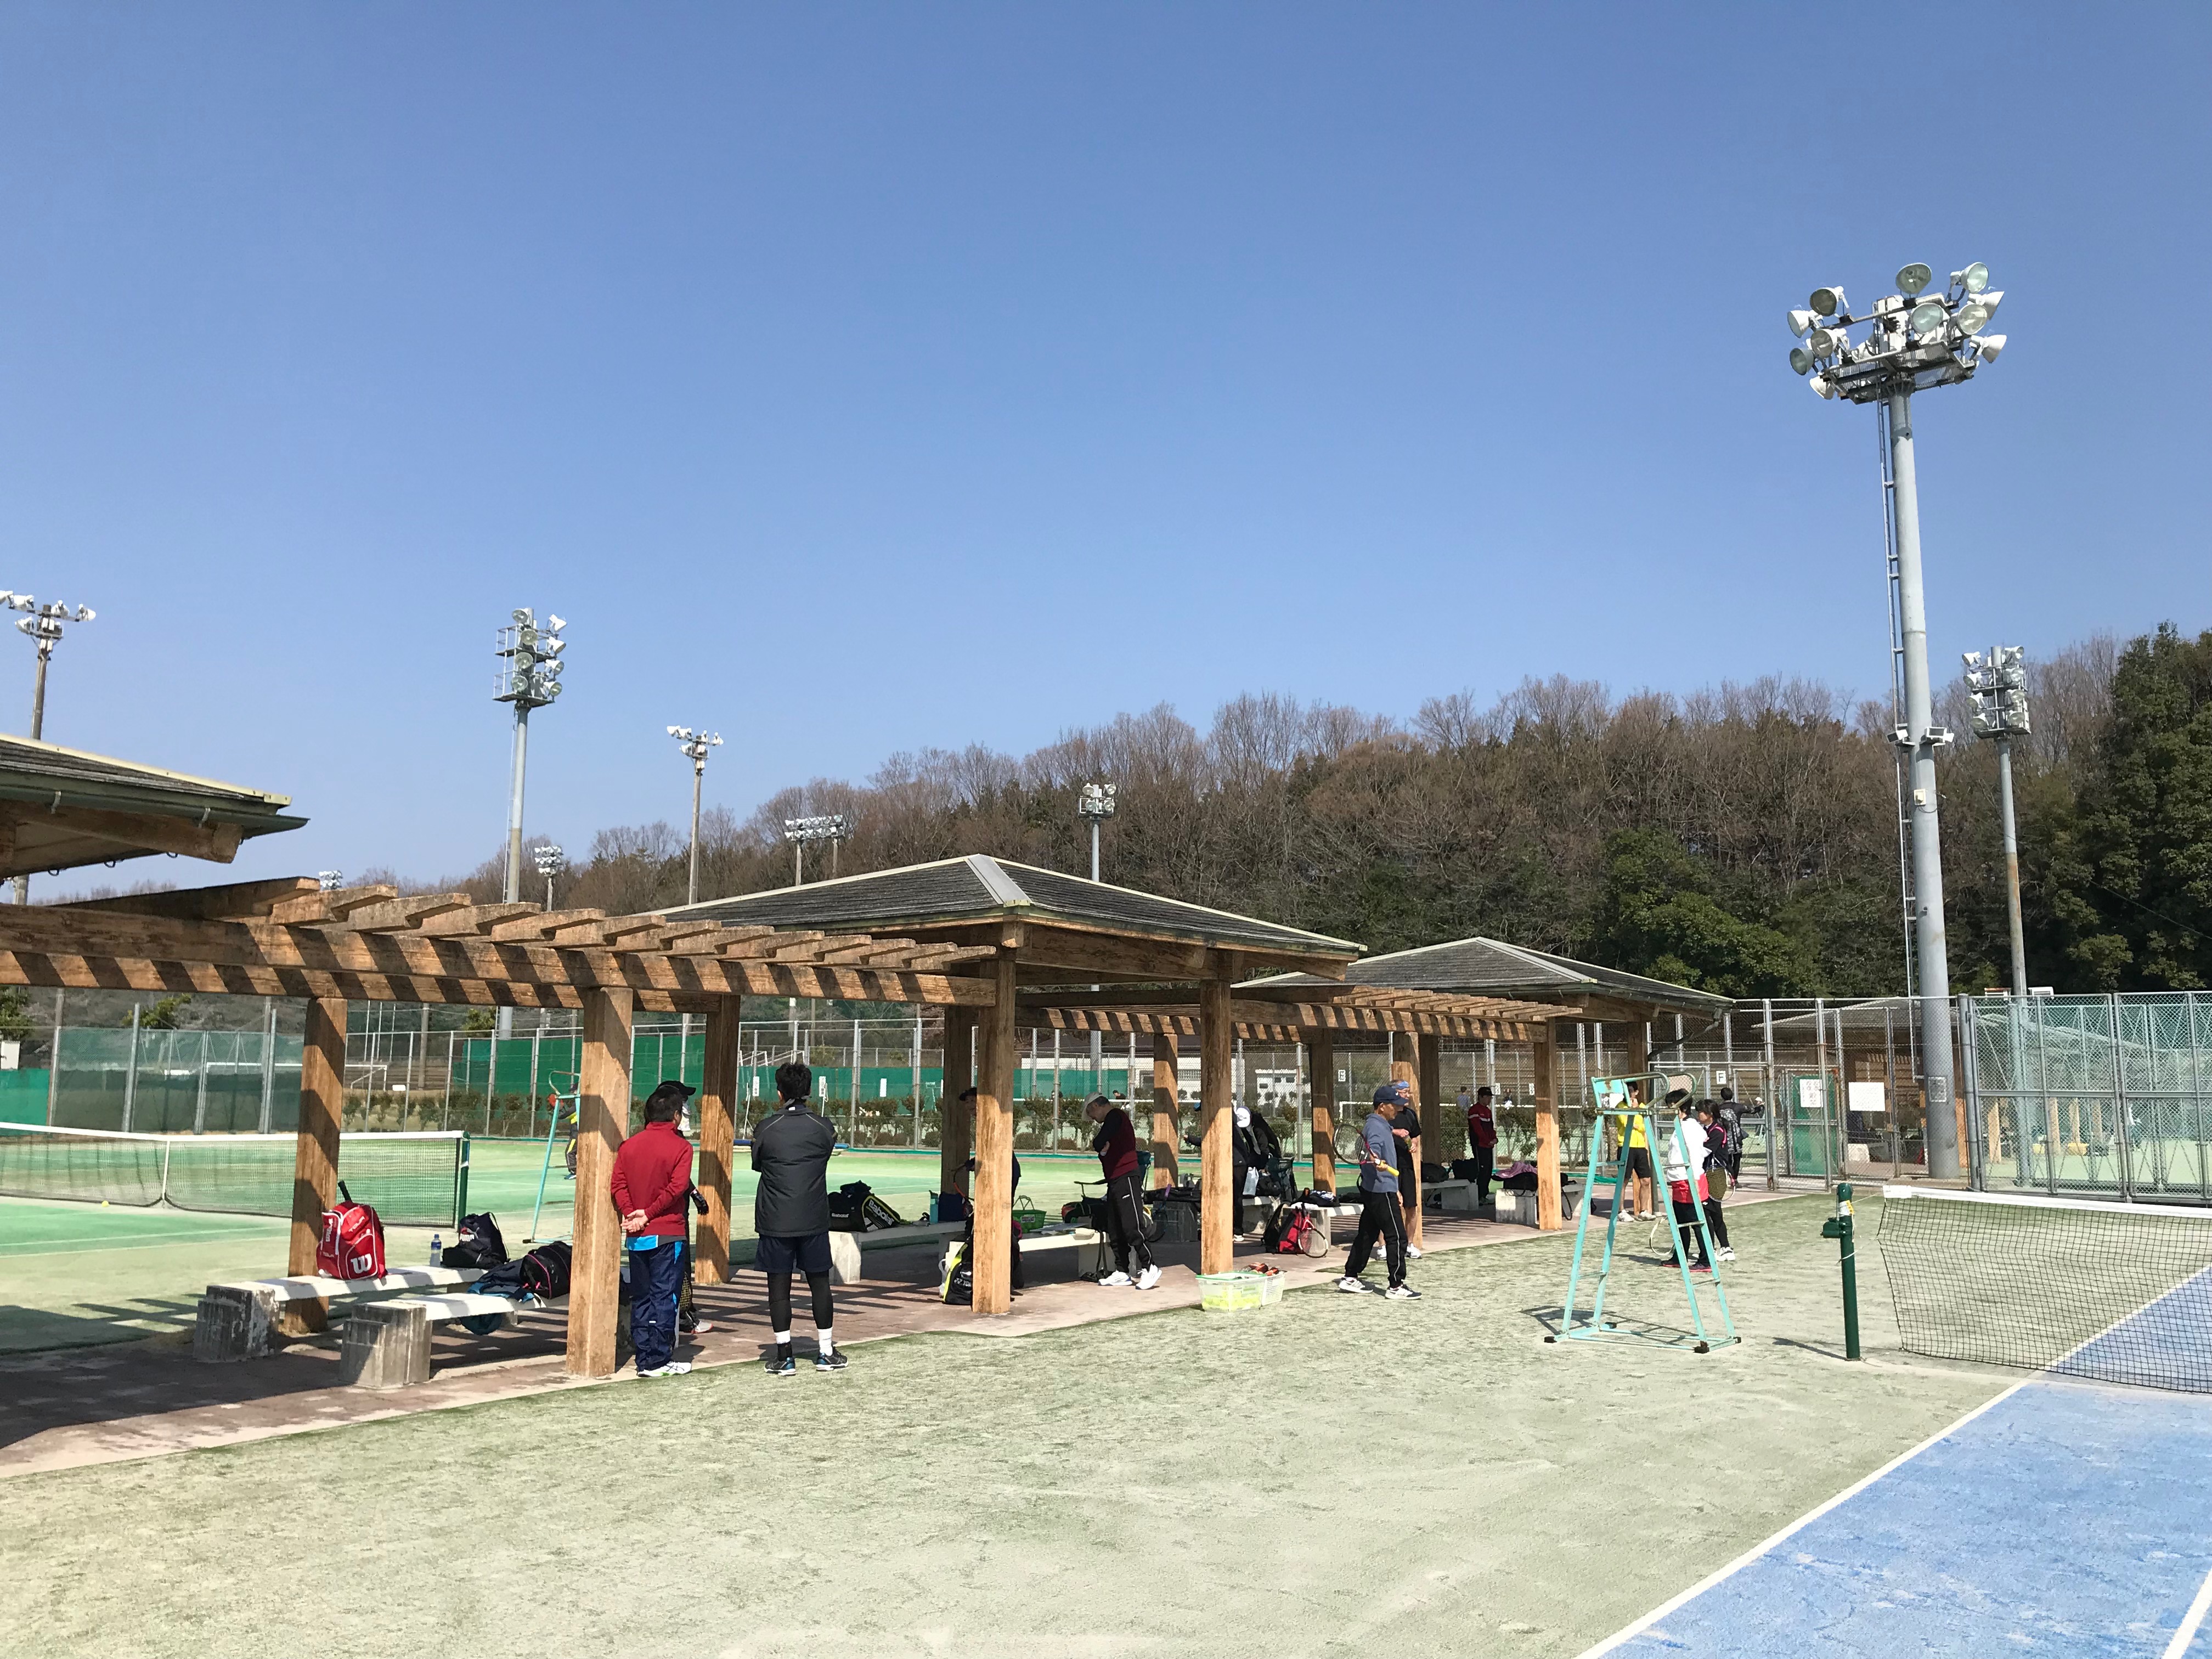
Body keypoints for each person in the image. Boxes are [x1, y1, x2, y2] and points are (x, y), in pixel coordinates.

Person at [752, 1060, 845, 1375]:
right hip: (813, 1217)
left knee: (778, 1287)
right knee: (819, 1283)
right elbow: (825, 1153)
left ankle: (784, 1356)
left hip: (775, 1219)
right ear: (808, 1091)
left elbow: (759, 1163)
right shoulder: (823, 1126)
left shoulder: (766, 1128)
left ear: (779, 1093)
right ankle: (826, 1352)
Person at [610, 1079, 698, 1379]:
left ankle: (644, 1358)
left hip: (637, 1235)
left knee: (643, 1297)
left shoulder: (629, 1146)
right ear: (675, 1116)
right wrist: (647, 1214)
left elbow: (618, 1185)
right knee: (665, 1297)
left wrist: (632, 1214)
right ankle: (659, 1359)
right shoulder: (682, 1147)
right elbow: (677, 1188)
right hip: (667, 1232)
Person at [1336, 1081, 1417, 1299]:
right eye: (1394, 1105)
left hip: (1377, 1189)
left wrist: (1394, 1188)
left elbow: (1375, 1145)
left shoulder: (1382, 1124)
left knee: (1367, 1234)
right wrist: (1376, 1161)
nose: (1398, 1109)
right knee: (1397, 1237)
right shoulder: (1374, 1127)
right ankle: (1396, 1286)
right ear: (1382, 1106)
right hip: (1381, 1190)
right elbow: (1369, 1152)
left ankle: (1350, 1277)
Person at [1086, 1093, 1160, 1290]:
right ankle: (1122, 1271)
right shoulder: (1113, 1123)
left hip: (1126, 1177)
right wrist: (1103, 1151)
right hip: (1115, 1180)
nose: (1091, 1117)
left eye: (1090, 1111)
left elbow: (1098, 1143)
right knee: (1115, 1227)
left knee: (1131, 1224)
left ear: (1097, 1105)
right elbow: (1102, 1149)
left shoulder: (1116, 1116)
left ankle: (1150, 1266)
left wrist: (1101, 1148)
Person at [959, 1086, 1025, 1293]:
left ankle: (1005, 1277)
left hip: (1006, 1173)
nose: (970, 1106)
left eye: (973, 1101)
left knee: (999, 1224)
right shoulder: (981, 1121)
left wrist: (979, 1163)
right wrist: (976, 1162)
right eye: (967, 1103)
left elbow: (997, 1150)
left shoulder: (991, 1119)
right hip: (996, 1172)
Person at [1657, 1077, 1712, 1273]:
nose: (1668, 1109)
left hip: (1689, 1181)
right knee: (1681, 1223)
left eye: (1671, 1106)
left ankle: (1706, 1260)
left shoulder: (1690, 1128)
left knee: (1696, 1222)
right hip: (1679, 1181)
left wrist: (1695, 1180)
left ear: (1680, 1107)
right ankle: (1679, 1257)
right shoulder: (1680, 1125)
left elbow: (1696, 1155)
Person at [1696, 1099, 1736, 1262]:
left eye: (1700, 1112)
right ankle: (1721, 1248)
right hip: (1707, 1174)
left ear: (1710, 1114)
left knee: (1712, 1212)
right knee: (1711, 1213)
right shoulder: (1705, 1129)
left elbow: (1704, 1152)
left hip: (1716, 1174)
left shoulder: (1717, 1131)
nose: (1698, 1115)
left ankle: (1719, 1249)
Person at [1389, 1091, 1425, 1259]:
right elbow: (1378, 1131)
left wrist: (1414, 1144)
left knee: (1411, 1206)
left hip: (1407, 1167)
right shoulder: (1386, 1114)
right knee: (1389, 1207)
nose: (1409, 1095)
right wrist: (1395, 1132)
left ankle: (1409, 1245)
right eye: (1405, 1092)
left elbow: (1415, 1136)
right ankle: (1384, 1246)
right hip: (1388, 1166)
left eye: (1409, 1091)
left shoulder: (1410, 1114)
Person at [1616, 1080, 1656, 1220]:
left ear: (1636, 1092)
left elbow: (1645, 1126)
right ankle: (1621, 1211)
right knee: (1624, 1180)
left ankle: (1643, 1211)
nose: (1628, 1094)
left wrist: (1637, 1112)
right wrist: (1634, 1113)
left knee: (1646, 1180)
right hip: (1626, 1146)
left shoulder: (1642, 1107)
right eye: (1626, 1091)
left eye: (1631, 1091)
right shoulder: (1620, 1106)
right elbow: (1627, 1122)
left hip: (1640, 1147)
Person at [1464, 1085, 1498, 1209]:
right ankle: (1478, 1196)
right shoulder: (1474, 1110)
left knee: (1488, 1170)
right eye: (1487, 1097)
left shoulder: (1488, 1111)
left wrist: (1494, 1138)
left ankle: (1484, 1194)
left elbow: (1491, 1127)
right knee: (1482, 1170)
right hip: (1479, 1145)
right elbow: (1478, 1129)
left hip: (1488, 1145)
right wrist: (1487, 1141)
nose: (1489, 1100)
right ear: (1481, 1097)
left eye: (1490, 1097)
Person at [1716, 1084, 1745, 1180]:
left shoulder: (1718, 1109)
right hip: (1736, 1138)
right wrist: (1760, 1107)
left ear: (1722, 1096)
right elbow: (1752, 1110)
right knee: (1737, 1159)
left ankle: (1731, 1178)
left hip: (1724, 1138)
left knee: (1727, 1160)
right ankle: (1735, 1179)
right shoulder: (1738, 1107)